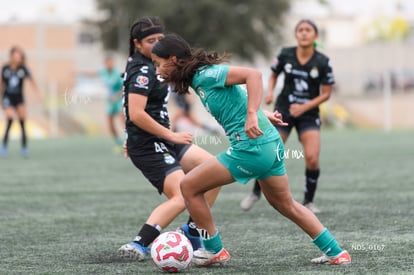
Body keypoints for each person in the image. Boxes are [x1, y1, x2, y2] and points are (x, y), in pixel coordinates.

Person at [151, 33, 351, 267]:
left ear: (173, 59)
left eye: (158, 63)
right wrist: (260, 115)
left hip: (251, 148)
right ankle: (336, 253)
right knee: (285, 204)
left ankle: (214, 250)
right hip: (268, 144)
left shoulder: (207, 75)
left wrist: (251, 115)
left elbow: (253, 75)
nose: (157, 69)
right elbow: (237, 98)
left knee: (188, 186)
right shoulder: (199, 80)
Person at [117, 16, 220, 261]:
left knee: (214, 173)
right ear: (137, 44)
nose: (156, 44)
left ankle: (192, 232)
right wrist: (167, 134)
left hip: (163, 139)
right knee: (183, 194)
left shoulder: (157, 64)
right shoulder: (142, 70)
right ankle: (138, 244)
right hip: (148, 143)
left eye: (160, 39)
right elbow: (136, 113)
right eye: (150, 41)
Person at [240, 19, 335, 214]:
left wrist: (304, 107)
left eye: (308, 30)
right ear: (296, 34)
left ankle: (308, 201)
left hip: (308, 114)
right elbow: (273, 74)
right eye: (300, 30)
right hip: (283, 110)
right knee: (270, 151)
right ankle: (256, 192)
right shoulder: (286, 54)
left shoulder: (322, 62)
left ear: (315, 36)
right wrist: (269, 92)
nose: (304, 33)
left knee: (312, 157)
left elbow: (326, 93)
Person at [1, 46, 43, 158]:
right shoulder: (5, 68)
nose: (19, 58)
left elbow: (32, 81)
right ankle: (4, 146)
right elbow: (1, 84)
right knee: (9, 119)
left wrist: (38, 94)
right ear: (12, 56)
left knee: (22, 122)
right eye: (17, 55)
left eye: (20, 56)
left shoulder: (23, 69)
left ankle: (24, 147)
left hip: (19, 98)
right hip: (7, 98)